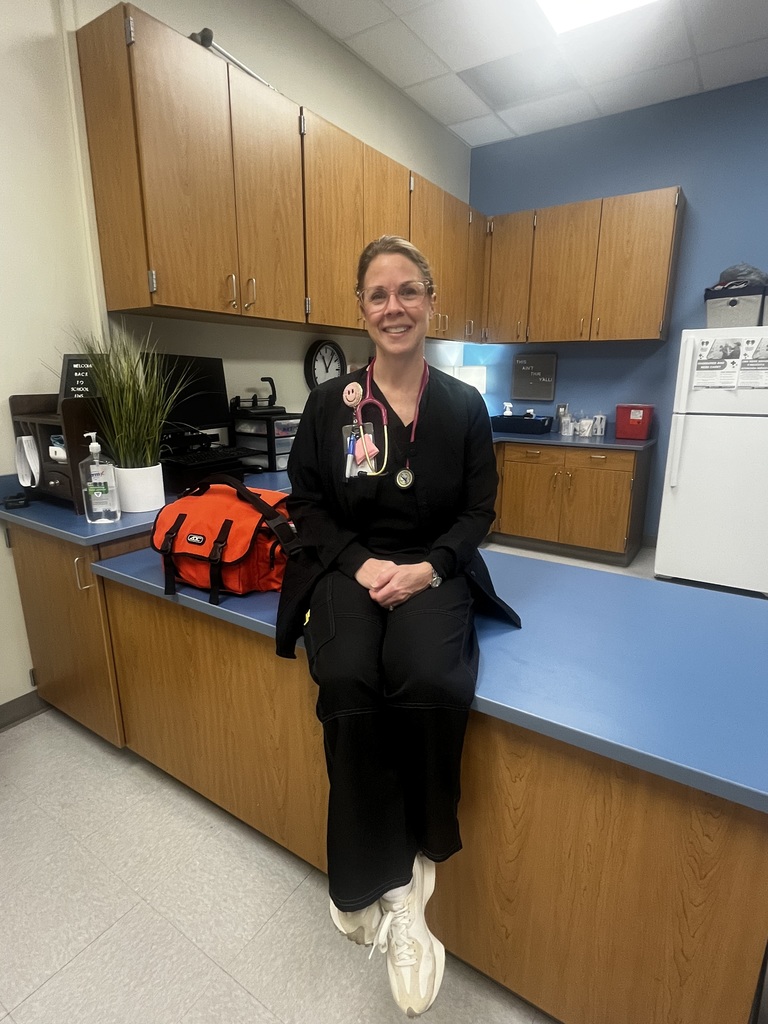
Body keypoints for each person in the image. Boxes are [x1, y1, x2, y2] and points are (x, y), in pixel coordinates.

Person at [276, 236, 520, 1017]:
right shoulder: (330, 406)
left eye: (407, 291)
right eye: (378, 295)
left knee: (430, 675)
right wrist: (355, 562)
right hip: (351, 565)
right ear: (361, 309)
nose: (394, 307)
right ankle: (380, 880)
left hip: (432, 568)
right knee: (346, 673)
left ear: (430, 300)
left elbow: (481, 510)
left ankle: (414, 873)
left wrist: (429, 567)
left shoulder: (463, 407)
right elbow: (307, 502)